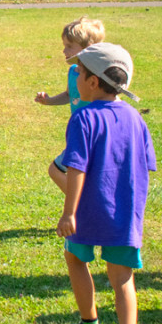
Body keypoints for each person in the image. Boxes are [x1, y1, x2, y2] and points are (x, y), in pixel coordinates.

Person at [57, 43, 154, 324]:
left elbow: (77, 167)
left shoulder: (83, 117)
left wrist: (70, 212)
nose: (76, 79)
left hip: (87, 210)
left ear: (94, 82)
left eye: (80, 74)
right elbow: (145, 165)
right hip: (125, 213)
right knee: (122, 277)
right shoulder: (135, 118)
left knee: (75, 258)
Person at [35, 17, 106, 194]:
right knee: (75, 173)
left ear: (87, 48)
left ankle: (83, 204)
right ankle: (86, 204)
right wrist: (49, 100)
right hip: (77, 132)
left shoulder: (98, 77)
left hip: (91, 135)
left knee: (57, 169)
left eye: (69, 46)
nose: (63, 50)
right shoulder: (73, 71)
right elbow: (69, 95)